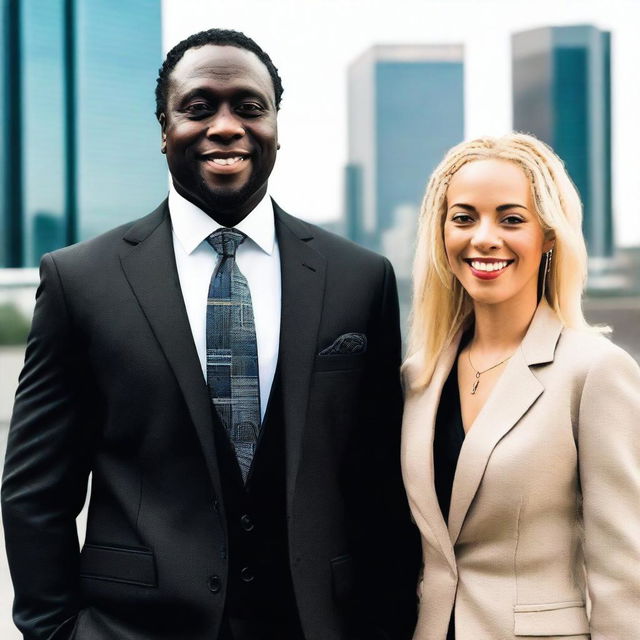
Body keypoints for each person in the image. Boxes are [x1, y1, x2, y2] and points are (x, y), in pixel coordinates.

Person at [2, 28, 419, 640]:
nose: (226, 126)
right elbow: (36, 487)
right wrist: (56, 631)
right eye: (198, 107)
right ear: (163, 129)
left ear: (277, 125)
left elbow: (382, 481)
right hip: (132, 628)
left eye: (250, 107)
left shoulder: (360, 278)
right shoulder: (79, 279)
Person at [401, 133, 640, 640]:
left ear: (548, 236)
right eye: (464, 217)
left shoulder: (595, 372)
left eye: (511, 219)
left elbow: (624, 576)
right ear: (441, 232)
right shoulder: (418, 378)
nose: (484, 238)